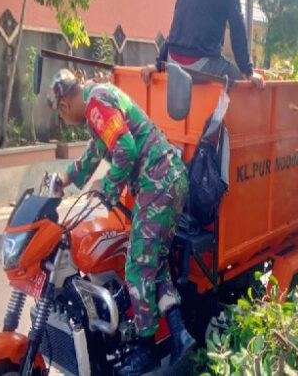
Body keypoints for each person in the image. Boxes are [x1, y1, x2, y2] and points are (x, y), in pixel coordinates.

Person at [49, 69, 195, 375]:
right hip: (168, 179)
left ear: (64, 105)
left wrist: (111, 189)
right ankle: (180, 334)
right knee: (152, 261)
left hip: (159, 181)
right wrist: (66, 178)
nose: (65, 122)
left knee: (136, 266)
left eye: (61, 116)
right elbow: (95, 153)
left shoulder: (96, 103)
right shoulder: (98, 100)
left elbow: (125, 148)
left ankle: (146, 348)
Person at [140, 0, 265, 90]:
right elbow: (236, 20)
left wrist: (159, 63)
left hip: (172, 61)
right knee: (244, 86)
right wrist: (248, 71)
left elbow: (179, 20)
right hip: (199, 65)